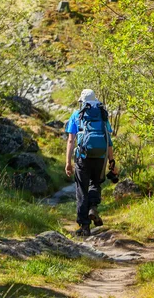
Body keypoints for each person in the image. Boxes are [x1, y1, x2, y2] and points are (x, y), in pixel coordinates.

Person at [65, 88, 118, 237]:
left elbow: (71, 140)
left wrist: (68, 162)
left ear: (82, 102)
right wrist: (111, 161)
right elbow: (108, 141)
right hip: (100, 157)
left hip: (83, 157)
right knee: (95, 183)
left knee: (82, 189)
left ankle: (84, 227)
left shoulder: (77, 115)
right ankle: (93, 207)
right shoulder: (102, 114)